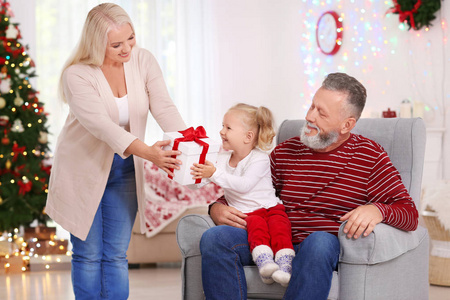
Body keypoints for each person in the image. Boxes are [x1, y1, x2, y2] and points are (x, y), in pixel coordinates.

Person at [199, 73, 419, 300]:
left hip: (320, 247)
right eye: (312, 106)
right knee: (215, 238)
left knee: (320, 241)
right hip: (272, 237)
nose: (309, 116)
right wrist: (216, 208)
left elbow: (409, 214)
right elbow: (254, 191)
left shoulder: (369, 156)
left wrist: (378, 210)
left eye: (321, 113)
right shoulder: (286, 150)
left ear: (347, 124)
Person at [45, 3, 186, 300]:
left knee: (116, 255)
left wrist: (190, 144)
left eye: (131, 38)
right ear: (96, 43)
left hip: (124, 169)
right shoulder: (77, 75)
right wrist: (149, 152)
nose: (127, 49)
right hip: (82, 171)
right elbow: (102, 127)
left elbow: (163, 105)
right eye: (116, 44)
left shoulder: (143, 61)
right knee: (88, 253)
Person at [191, 103, 295, 286]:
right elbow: (200, 183)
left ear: (248, 137)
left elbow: (244, 185)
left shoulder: (260, 158)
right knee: (257, 232)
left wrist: (214, 173)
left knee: (280, 229)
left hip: (270, 208)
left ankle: (285, 266)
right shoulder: (221, 160)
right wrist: (190, 171)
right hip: (249, 214)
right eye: (222, 126)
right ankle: (265, 266)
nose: (222, 131)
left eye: (228, 127)